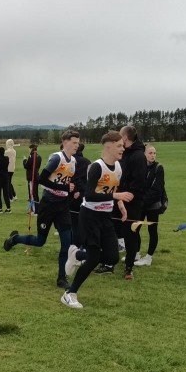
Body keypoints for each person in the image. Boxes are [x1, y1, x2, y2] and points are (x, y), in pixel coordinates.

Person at [61, 131, 132, 308]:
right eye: (119, 146)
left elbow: (114, 188)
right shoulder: (96, 167)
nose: (122, 149)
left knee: (112, 257)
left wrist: (121, 205)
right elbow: (90, 195)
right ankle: (70, 294)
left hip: (105, 217)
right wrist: (116, 196)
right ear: (108, 147)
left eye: (122, 146)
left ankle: (77, 254)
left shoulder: (118, 167)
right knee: (93, 259)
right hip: (90, 216)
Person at [3, 129, 79, 288]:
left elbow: (65, 182)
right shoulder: (57, 158)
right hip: (48, 205)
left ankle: (61, 278)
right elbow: (42, 179)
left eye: (78, 143)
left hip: (63, 207)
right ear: (65, 142)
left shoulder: (73, 162)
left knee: (66, 242)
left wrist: (70, 189)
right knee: (40, 241)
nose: (77, 145)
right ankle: (15, 239)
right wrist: (64, 188)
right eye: (74, 143)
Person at [115, 125, 147, 280]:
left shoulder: (138, 156)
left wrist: (127, 196)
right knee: (113, 230)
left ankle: (129, 267)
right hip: (118, 198)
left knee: (130, 234)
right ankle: (108, 261)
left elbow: (139, 182)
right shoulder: (123, 153)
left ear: (125, 138)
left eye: (120, 135)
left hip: (132, 202)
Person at [137, 144, 168, 266]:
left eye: (154, 153)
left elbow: (157, 189)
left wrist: (142, 201)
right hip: (141, 204)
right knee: (135, 229)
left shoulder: (158, 168)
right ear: (144, 154)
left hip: (153, 205)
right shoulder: (141, 168)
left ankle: (148, 258)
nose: (153, 155)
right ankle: (136, 254)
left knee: (152, 231)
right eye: (150, 153)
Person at [68, 142, 91, 248]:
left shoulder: (71, 161)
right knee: (84, 223)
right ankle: (83, 245)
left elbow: (72, 179)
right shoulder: (87, 162)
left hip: (73, 195)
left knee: (74, 224)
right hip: (85, 196)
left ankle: (75, 246)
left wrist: (77, 190)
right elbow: (89, 180)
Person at [0, 146, 10, 213]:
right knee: (6, 193)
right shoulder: (7, 158)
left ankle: (0, 208)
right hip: (5, 177)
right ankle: (8, 208)